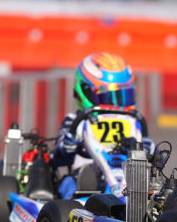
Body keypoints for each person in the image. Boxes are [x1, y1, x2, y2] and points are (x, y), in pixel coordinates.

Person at [51, 52, 153, 199]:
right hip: (86, 185)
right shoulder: (75, 121)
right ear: (85, 92)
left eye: (122, 95)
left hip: (129, 181)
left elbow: (155, 154)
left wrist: (149, 149)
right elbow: (57, 157)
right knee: (68, 183)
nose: (115, 104)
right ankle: (73, 210)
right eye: (108, 96)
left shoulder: (135, 123)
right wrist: (68, 144)